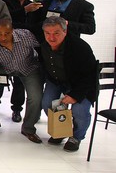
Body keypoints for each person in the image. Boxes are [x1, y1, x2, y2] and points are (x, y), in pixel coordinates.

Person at [0, 19, 44, 144]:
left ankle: (28, 128)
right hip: (5, 68)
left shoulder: (25, 36)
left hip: (29, 67)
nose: (3, 37)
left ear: (12, 31)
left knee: (36, 96)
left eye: (7, 33)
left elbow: (43, 45)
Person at [40, 16, 96, 152]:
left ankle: (76, 136)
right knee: (47, 104)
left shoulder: (79, 47)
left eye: (56, 33)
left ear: (65, 31)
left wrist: (75, 95)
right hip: (57, 81)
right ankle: (62, 130)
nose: (51, 38)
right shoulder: (43, 45)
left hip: (82, 84)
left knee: (79, 111)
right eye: (48, 33)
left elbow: (90, 76)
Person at [0, 0, 43, 123]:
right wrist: (24, 11)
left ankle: (16, 109)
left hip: (25, 50)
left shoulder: (34, 6)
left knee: (20, 81)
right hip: (4, 48)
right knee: (0, 78)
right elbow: (4, 22)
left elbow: (36, 28)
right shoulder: (4, 2)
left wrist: (21, 26)